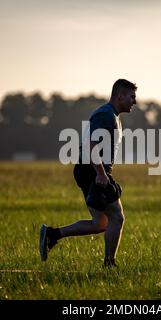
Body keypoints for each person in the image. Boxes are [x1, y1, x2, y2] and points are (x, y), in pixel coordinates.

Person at [40, 79, 137, 267]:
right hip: (92, 169)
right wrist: (101, 174)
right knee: (117, 217)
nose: (134, 101)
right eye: (131, 97)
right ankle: (109, 264)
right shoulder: (105, 115)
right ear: (120, 95)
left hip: (92, 169)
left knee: (101, 223)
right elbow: (90, 145)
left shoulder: (112, 115)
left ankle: (52, 235)